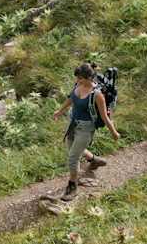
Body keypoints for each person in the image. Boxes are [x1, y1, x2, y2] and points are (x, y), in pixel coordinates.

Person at [51, 63, 120, 201]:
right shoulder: (78, 86)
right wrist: (59, 111)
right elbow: (71, 99)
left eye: (80, 79)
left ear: (88, 78)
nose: (77, 81)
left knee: (72, 157)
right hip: (73, 125)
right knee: (73, 150)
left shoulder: (97, 95)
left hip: (86, 129)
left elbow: (105, 117)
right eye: (77, 79)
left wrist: (114, 132)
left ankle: (72, 187)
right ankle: (94, 160)